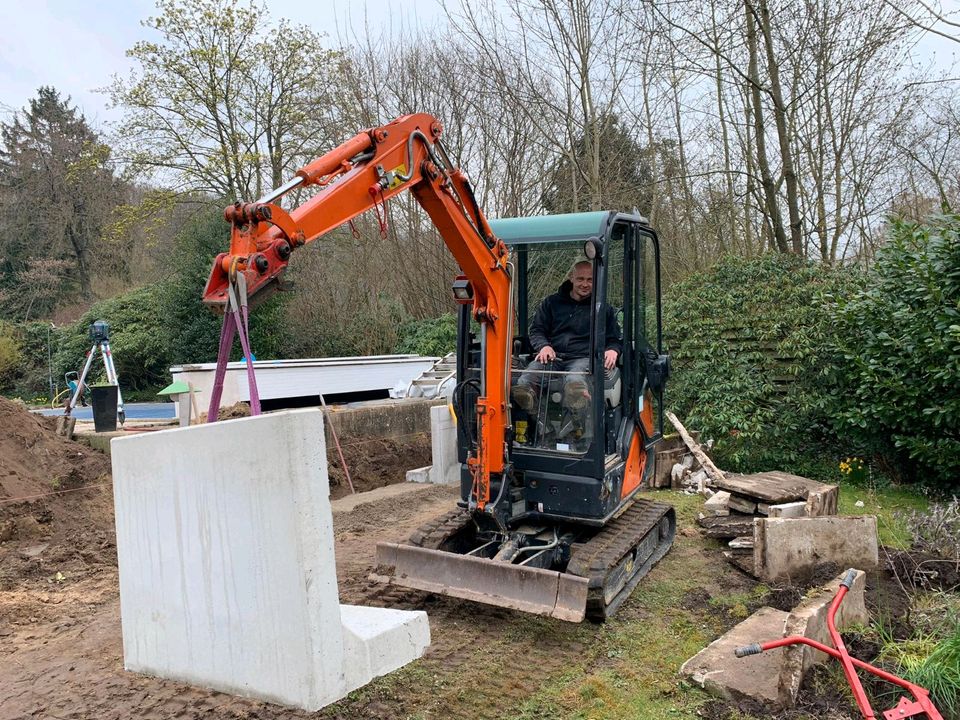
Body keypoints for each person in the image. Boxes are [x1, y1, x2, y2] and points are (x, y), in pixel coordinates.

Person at [512, 259, 622, 414]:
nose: (585, 284)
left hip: (583, 358)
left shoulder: (602, 308)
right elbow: (537, 330)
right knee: (524, 381)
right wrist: (544, 346)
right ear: (571, 278)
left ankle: (579, 421)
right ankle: (535, 418)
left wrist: (612, 350)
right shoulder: (551, 303)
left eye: (590, 280)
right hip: (553, 358)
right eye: (580, 279)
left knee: (574, 383)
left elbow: (614, 338)